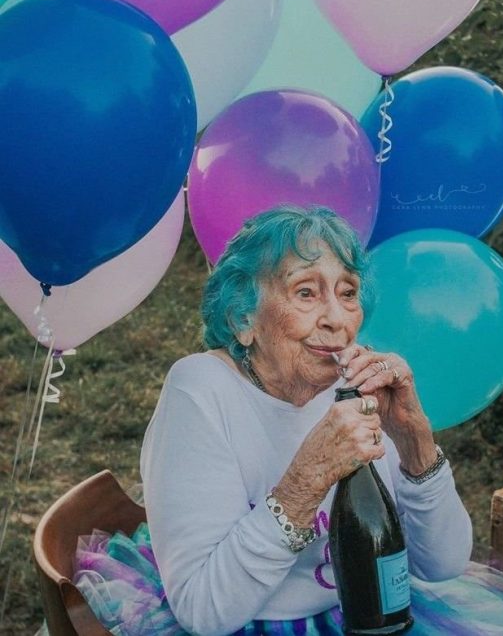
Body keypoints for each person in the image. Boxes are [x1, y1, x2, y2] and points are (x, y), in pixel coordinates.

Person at [138, 205, 473, 635]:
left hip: (370, 616)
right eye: (306, 293)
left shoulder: (356, 386)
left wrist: (414, 441)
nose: (337, 319)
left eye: (348, 293)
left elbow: (444, 564)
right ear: (244, 318)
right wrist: (309, 477)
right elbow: (204, 610)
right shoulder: (201, 390)